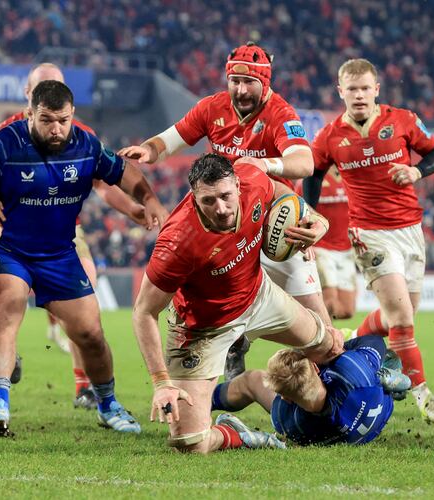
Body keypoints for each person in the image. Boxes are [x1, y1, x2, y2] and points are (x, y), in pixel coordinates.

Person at [0, 80, 168, 437]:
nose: (56, 129)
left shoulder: (85, 145)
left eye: (63, 120)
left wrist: (150, 199)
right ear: (29, 114)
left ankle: (107, 404)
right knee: (6, 315)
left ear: (72, 117)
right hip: (7, 250)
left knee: (91, 334)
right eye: (47, 119)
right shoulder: (5, 144)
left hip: (59, 254)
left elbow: (124, 172)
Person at [119, 42, 331, 380]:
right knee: (218, 303)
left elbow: (304, 163)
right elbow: (169, 140)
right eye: (234, 81)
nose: (241, 90)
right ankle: (232, 344)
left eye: (250, 83)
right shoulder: (212, 108)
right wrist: (148, 150)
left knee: (321, 324)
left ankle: (336, 380)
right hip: (226, 223)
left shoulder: (281, 113)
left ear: (265, 83)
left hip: (275, 220)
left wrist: (264, 165)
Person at [132, 153, 343, 454]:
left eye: (225, 196)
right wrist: (161, 382)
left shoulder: (253, 179)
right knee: (189, 443)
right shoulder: (177, 241)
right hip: (203, 329)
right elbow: (143, 312)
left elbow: (280, 193)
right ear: (193, 196)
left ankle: (354, 397)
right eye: (208, 201)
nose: (220, 208)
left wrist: (315, 218)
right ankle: (236, 433)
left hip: (259, 297)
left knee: (330, 343)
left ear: (238, 186)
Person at [0, 62, 146, 410]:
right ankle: (3, 356)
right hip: (12, 231)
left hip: (63, 229)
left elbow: (104, 183)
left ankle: (83, 385)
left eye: (58, 87)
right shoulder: (5, 132)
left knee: (84, 287)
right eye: (43, 87)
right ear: (28, 95)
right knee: (3, 302)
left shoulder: (78, 132)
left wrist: (134, 210)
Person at [305, 58, 434, 424]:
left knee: (397, 320)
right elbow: (313, 174)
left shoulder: (402, 120)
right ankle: (423, 397)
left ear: (377, 90)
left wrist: (417, 170)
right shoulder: (329, 137)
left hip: (410, 231)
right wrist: (309, 215)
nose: (358, 95)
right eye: (351, 89)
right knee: (403, 317)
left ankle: (352, 337)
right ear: (341, 92)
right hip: (369, 234)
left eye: (364, 88)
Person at [211, 335, 410, 446]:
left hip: (335, 431)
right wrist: (332, 352)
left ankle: (205, 400)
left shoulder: (287, 421)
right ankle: (384, 375)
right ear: (315, 367)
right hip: (378, 408)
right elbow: (375, 340)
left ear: (284, 398)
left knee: (252, 380)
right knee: (389, 358)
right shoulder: (353, 370)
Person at [302, 166, 357, 319]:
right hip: (321, 248)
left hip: (346, 250)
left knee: (347, 311)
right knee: (330, 302)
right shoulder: (313, 179)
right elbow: (301, 211)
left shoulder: (351, 177)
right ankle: (321, 339)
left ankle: (308, 321)